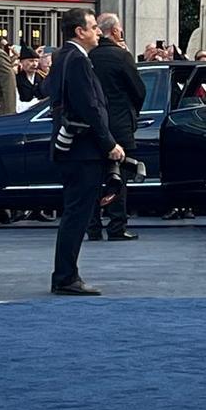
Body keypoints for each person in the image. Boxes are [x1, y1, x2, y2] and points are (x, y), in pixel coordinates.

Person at [44, 8, 124, 296]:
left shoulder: (63, 57)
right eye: (93, 27)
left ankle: (66, 274)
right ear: (80, 31)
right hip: (82, 151)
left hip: (74, 149)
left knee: (75, 213)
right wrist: (110, 144)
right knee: (77, 214)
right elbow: (90, 107)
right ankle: (65, 277)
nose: (98, 32)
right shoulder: (76, 59)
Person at [87, 12, 148, 241]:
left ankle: (92, 227)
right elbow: (139, 90)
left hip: (92, 126)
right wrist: (132, 111)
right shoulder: (121, 56)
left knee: (92, 178)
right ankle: (116, 226)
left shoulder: (88, 55)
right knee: (118, 178)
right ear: (114, 31)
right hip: (119, 124)